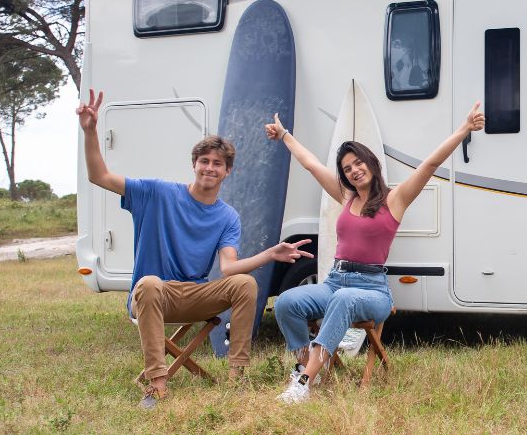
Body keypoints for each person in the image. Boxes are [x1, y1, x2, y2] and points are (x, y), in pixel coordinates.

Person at [77, 89, 313, 408]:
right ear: (194, 164)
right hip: (153, 295)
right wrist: (90, 131)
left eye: (218, 164)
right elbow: (99, 175)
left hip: (195, 295)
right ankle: (157, 386)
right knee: (148, 283)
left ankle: (237, 377)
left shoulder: (227, 216)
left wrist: (271, 254)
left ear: (227, 171)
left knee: (245, 283)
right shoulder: (156, 193)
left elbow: (229, 268)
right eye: (205, 161)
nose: (210, 168)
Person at [267, 102, 484, 403]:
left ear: (370, 163)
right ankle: (306, 362)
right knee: (286, 302)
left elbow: (430, 165)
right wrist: (284, 135)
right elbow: (311, 164)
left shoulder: (395, 200)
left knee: (344, 300)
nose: (354, 170)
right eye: (346, 169)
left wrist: (464, 129)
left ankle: (305, 382)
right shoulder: (345, 196)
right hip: (335, 282)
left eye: (358, 163)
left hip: (372, 290)